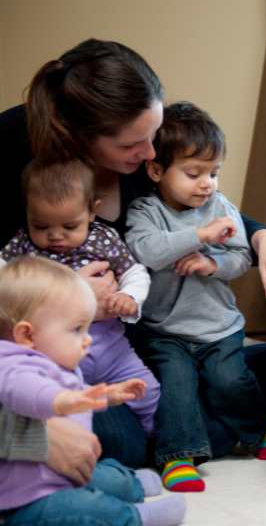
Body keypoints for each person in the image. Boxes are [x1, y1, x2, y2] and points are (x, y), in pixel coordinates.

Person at [0, 38, 266, 483]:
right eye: (135, 144)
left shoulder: (145, 158)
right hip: (47, 352)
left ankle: (205, 409)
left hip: (133, 338)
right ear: (82, 137)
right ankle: (203, 426)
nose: (151, 154)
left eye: (153, 136)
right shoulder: (13, 150)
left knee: (264, 362)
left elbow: (194, 210)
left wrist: (264, 236)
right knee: (120, 440)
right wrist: (64, 296)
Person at [126, 101, 266, 492]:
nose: (206, 183)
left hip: (217, 325)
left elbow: (241, 256)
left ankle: (259, 427)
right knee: (175, 385)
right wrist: (198, 236)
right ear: (157, 170)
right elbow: (146, 250)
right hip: (164, 330)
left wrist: (212, 265)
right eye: (194, 173)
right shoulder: (146, 211)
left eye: (213, 173)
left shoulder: (221, 206)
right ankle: (179, 456)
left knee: (231, 380)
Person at [0, 256, 186, 526]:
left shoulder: (49, 361)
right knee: (81, 513)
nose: (87, 341)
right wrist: (62, 401)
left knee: (106, 474)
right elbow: (26, 390)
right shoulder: (12, 362)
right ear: (27, 335)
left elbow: (72, 394)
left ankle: (131, 484)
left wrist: (107, 396)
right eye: (76, 330)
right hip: (16, 510)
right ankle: (133, 517)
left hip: (48, 474)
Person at [0, 158, 160, 465]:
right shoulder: (23, 246)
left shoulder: (104, 239)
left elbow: (135, 272)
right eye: (41, 226)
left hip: (113, 348)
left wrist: (129, 296)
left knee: (149, 391)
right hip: (55, 356)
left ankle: (156, 443)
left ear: (92, 210)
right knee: (64, 408)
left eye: (69, 226)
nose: (55, 236)